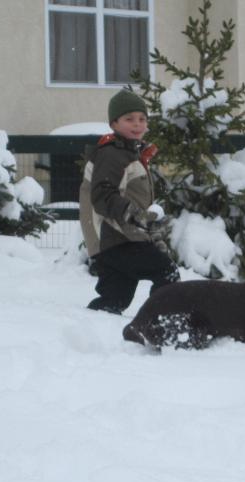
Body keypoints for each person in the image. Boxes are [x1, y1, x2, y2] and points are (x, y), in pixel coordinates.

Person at [79, 89, 179, 314]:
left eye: (142, 119)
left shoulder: (131, 154)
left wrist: (147, 227)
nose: (137, 124)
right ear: (114, 123)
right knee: (166, 272)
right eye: (129, 119)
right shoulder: (112, 154)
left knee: (115, 300)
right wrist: (134, 215)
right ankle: (160, 321)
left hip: (118, 239)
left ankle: (85, 326)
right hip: (116, 238)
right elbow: (103, 195)